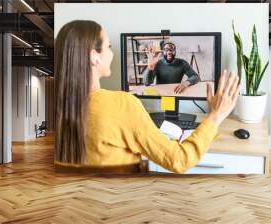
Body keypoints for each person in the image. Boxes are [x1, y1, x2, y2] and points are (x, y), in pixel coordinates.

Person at [54, 20, 240, 174]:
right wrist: (216, 114)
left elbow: (194, 76)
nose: (168, 53)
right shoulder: (123, 104)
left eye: (171, 50)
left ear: (174, 52)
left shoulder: (63, 108)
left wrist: (186, 83)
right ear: (94, 57)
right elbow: (179, 160)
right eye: (109, 46)